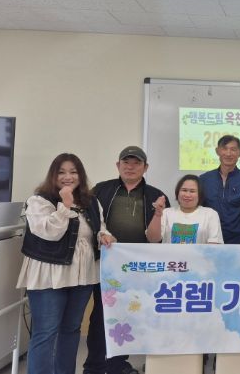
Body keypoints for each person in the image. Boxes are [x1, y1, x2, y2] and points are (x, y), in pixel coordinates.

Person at [18, 153, 114, 374]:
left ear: (81, 175)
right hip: (49, 275)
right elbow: (49, 233)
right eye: (61, 172)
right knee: (45, 332)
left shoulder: (91, 201)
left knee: (71, 329)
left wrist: (104, 236)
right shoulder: (39, 200)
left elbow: (99, 227)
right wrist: (65, 206)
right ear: (53, 175)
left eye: (73, 172)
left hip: (83, 275)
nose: (68, 176)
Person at [84, 146, 169, 374]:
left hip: (138, 269)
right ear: (118, 165)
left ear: (145, 167)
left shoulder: (156, 195)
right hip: (105, 265)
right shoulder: (101, 190)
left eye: (136, 163)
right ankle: (93, 366)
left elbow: (158, 237)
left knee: (127, 316)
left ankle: (117, 365)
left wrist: (159, 213)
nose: (130, 167)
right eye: (126, 162)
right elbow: (88, 222)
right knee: (100, 316)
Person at [199, 134, 240, 244]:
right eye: (224, 148)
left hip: (238, 242)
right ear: (217, 151)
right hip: (209, 240)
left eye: (233, 149)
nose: (228, 153)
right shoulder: (204, 179)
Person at [154, 174, 223, 244]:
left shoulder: (210, 214)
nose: (187, 195)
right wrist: (157, 215)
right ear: (178, 192)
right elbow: (153, 239)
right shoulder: (166, 212)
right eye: (184, 190)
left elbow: (214, 244)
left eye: (192, 191)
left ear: (200, 194)